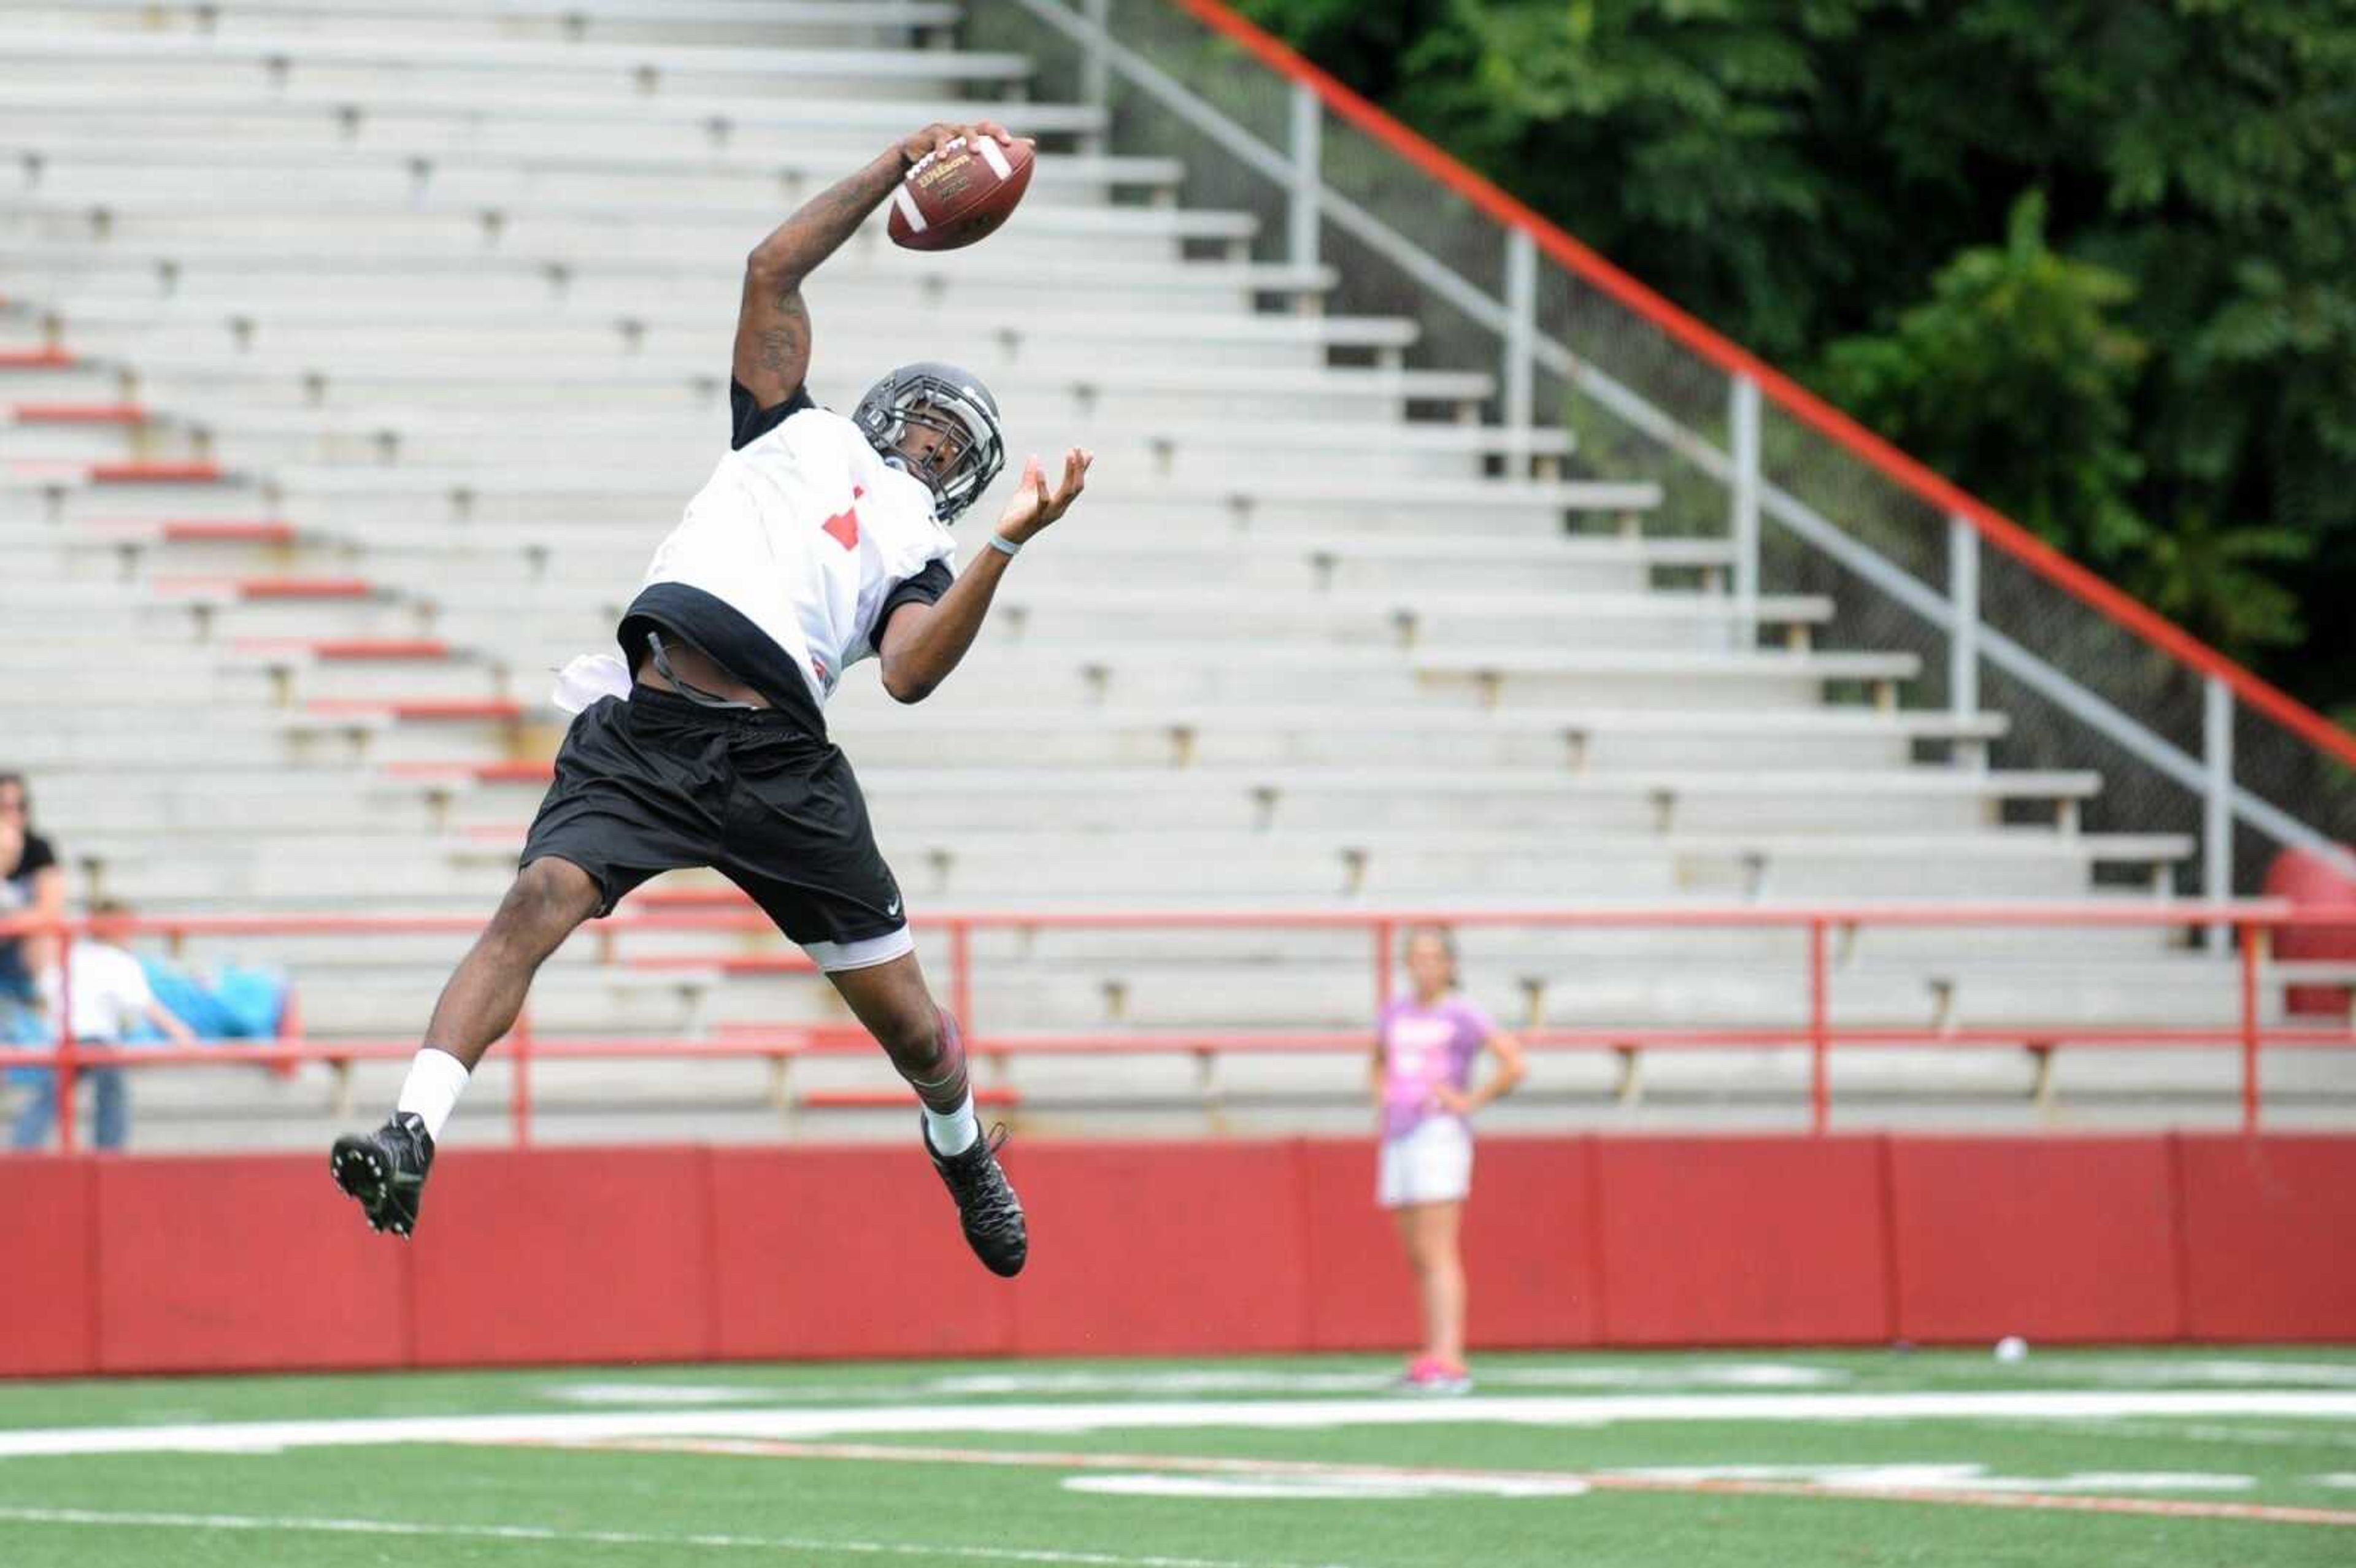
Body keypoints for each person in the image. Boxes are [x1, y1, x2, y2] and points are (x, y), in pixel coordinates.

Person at [329, 119, 1091, 1278]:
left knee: (913, 1029)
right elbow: (772, 269)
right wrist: (894, 168)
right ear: (882, 407)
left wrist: (1008, 545)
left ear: (966, 480)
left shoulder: (923, 550)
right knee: (535, 897)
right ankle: (411, 1131)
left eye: (953, 447)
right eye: (924, 423)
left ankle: (960, 1142)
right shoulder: (790, 424)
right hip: (650, 720)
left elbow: (911, 672)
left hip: (780, 763)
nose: (930, 448)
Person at [1372, 924, 1526, 1393]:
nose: (1422, 966)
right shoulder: (1394, 1011)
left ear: (1449, 964)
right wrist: (1384, 1095)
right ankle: (1431, 1348)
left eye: (1432, 957)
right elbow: (1378, 1061)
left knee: (1439, 1248)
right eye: (1415, 957)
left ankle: (1450, 1355)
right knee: (1415, 1250)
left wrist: (1470, 1100)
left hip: (1438, 1133)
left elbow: (1513, 1063)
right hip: (1399, 1132)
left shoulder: (1462, 1014)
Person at [10, 900, 198, 1151]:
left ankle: (23, 1146)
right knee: (111, 1096)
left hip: (65, 1038)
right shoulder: (119, 961)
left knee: (51, 1096)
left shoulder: (73, 953)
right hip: (97, 1040)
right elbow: (144, 1003)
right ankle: (109, 1152)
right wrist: (180, 1031)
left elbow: (47, 988)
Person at [0, 773, 66, 1009]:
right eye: (5, 807)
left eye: (20, 806)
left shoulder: (38, 849)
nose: (13, 814)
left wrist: (12, 924)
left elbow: (49, 911)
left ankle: (48, 1011)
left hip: (21, 945)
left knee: (43, 937)